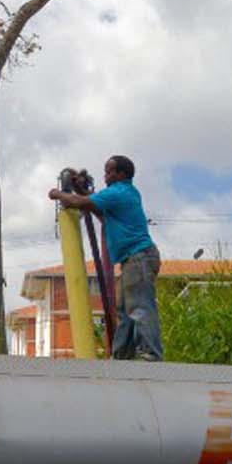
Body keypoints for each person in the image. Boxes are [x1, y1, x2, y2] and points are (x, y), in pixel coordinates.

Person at [48, 154, 163, 361]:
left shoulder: (118, 192)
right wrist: (82, 191)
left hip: (139, 257)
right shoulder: (123, 194)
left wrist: (57, 193)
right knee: (125, 313)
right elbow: (98, 211)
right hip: (135, 259)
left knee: (139, 307)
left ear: (122, 174)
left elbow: (77, 202)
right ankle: (121, 358)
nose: (105, 175)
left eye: (109, 171)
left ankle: (150, 354)